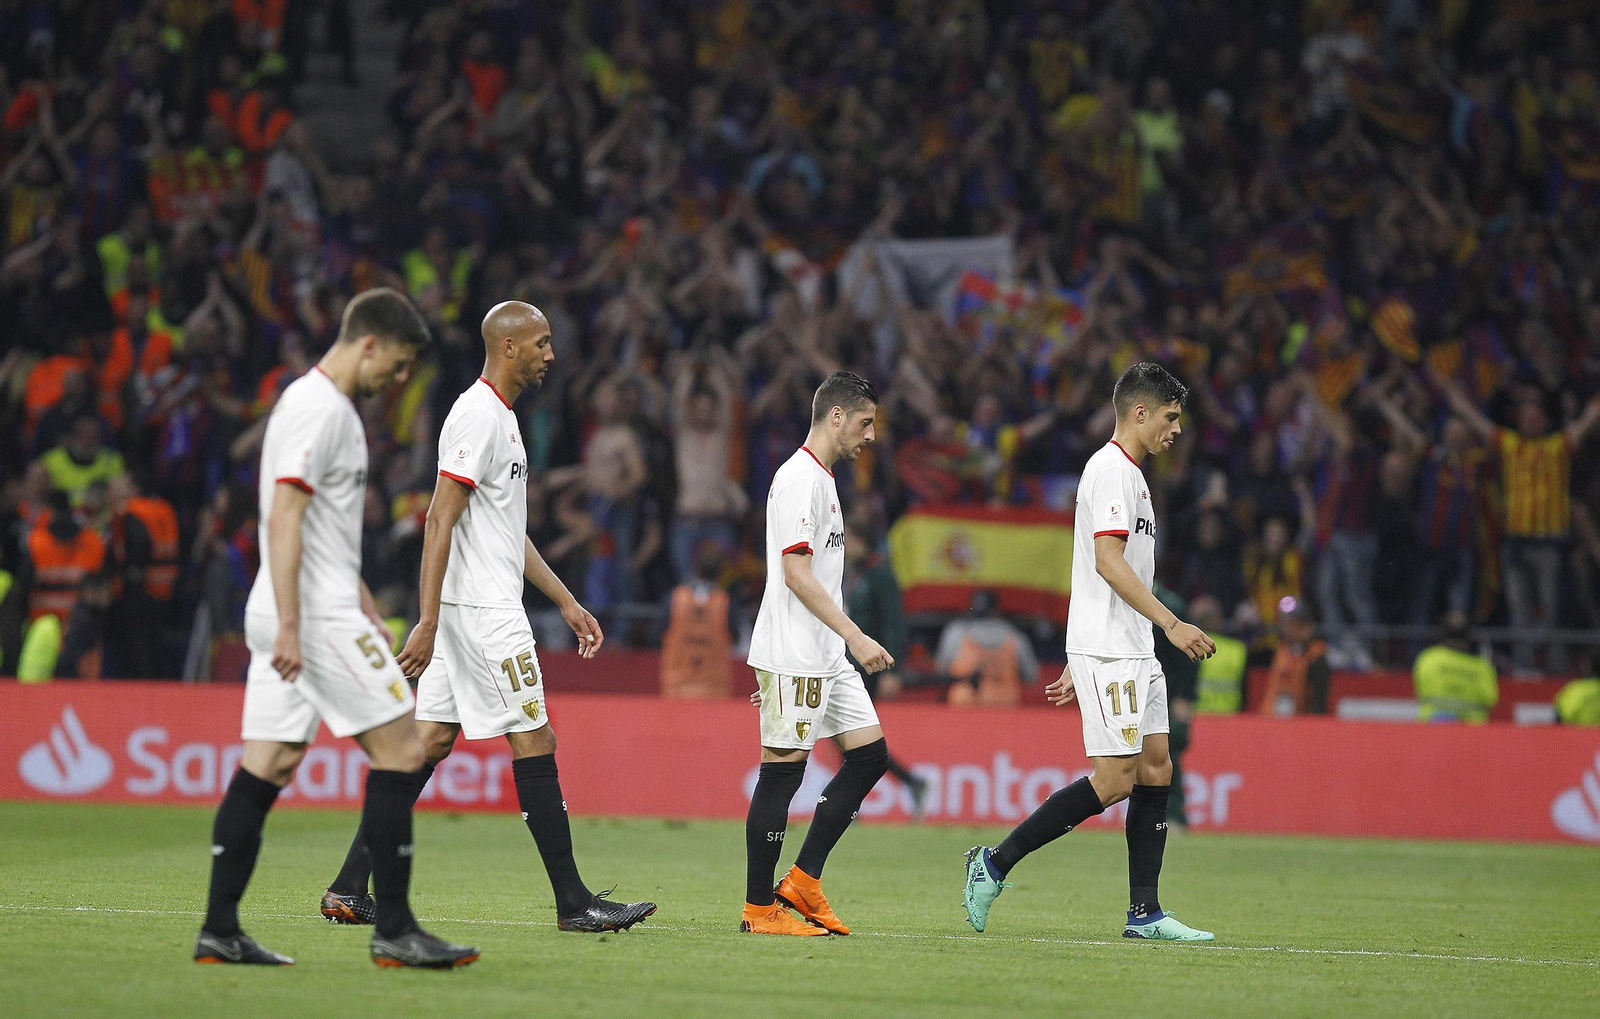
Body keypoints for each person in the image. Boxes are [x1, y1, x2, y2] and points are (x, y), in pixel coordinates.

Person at [321, 301, 655, 934]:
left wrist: (564, 598)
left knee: (429, 743)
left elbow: (505, 530)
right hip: (480, 612)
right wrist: (425, 620)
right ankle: (574, 902)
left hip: (466, 608)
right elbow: (439, 517)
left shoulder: (498, 418)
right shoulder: (477, 415)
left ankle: (346, 886)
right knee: (535, 738)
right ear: (509, 348)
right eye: (542, 343)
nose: (551, 355)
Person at [194, 288, 479, 969]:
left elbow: (317, 527)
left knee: (270, 762)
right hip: (309, 615)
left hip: (305, 602)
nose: (402, 380)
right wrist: (297, 623)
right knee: (405, 750)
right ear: (369, 343)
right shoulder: (321, 411)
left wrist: (360, 599)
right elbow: (284, 516)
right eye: (401, 363)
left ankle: (219, 929)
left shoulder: (322, 409)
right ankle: (397, 930)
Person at [964, 362, 1216, 942]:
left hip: (1129, 647)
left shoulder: (1135, 476)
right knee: (1114, 780)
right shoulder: (1111, 472)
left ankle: (1145, 914)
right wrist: (1170, 625)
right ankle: (993, 864)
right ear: (1140, 412)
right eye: (1171, 418)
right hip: (1115, 649)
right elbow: (1106, 562)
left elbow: (1097, 571)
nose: (1177, 431)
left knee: (1157, 768)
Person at [741, 371, 895, 937]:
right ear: (836, 416)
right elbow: (796, 575)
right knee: (782, 776)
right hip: (798, 652)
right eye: (864, 422)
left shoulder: (824, 481)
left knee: (870, 757)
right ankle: (759, 909)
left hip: (825, 654)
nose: (870, 435)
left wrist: (842, 643)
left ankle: (803, 880)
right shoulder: (799, 479)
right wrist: (855, 635)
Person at [938, 589, 1039, 707]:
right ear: (996, 610)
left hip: (964, 707)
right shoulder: (1015, 636)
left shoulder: (955, 633)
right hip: (1006, 708)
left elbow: (942, 671)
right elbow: (1031, 676)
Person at [1412, 612, 1498, 723]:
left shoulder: (1427, 658)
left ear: (1442, 634)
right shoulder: (1482, 667)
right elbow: (1490, 699)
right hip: (1472, 734)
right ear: (1469, 637)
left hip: (1431, 729)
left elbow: (1419, 688)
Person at [1257, 597, 1332, 717]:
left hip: (1300, 724)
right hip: (1271, 719)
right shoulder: (1281, 650)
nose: (1286, 628)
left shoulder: (1316, 657)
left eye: (1292, 624)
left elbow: (1319, 704)